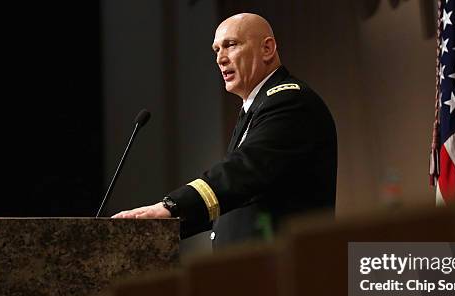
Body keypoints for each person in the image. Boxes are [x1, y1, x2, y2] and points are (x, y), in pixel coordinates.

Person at [113, 13, 337, 249]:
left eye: (230, 45)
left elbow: (242, 174)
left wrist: (170, 208)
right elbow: (235, 197)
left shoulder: (290, 102)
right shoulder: (255, 107)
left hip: (285, 270)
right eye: (216, 49)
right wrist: (161, 225)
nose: (220, 58)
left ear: (267, 49)